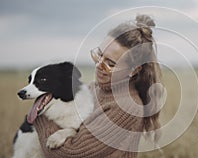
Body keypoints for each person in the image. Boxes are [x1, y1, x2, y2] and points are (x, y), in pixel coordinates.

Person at [33, 14, 163, 157]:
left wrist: (39, 114)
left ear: (134, 70)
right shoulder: (93, 88)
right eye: (99, 55)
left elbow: (69, 153)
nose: (99, 65)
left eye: (110, 64)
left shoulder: (125, 108)